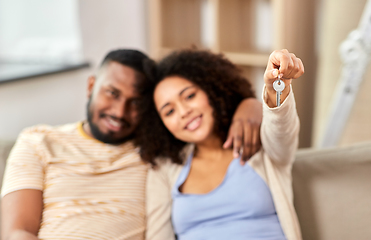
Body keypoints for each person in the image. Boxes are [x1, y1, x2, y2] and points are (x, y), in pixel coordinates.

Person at [1, 49, 263, 240]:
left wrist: (249, 106)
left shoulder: (157, 152)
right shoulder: (38, 141)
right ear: (91, 85)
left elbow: (207, 120)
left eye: (136, 103)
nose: (120, 111)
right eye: (112, 93)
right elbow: (16, 233)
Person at [136, 49, 304, 240]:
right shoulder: (165, 167)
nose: (183, 112)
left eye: (189, 96)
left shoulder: (257, 141)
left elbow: (282, 129)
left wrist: (275, 90)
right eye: (169, 112)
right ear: (161, 124)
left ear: (211, 89)